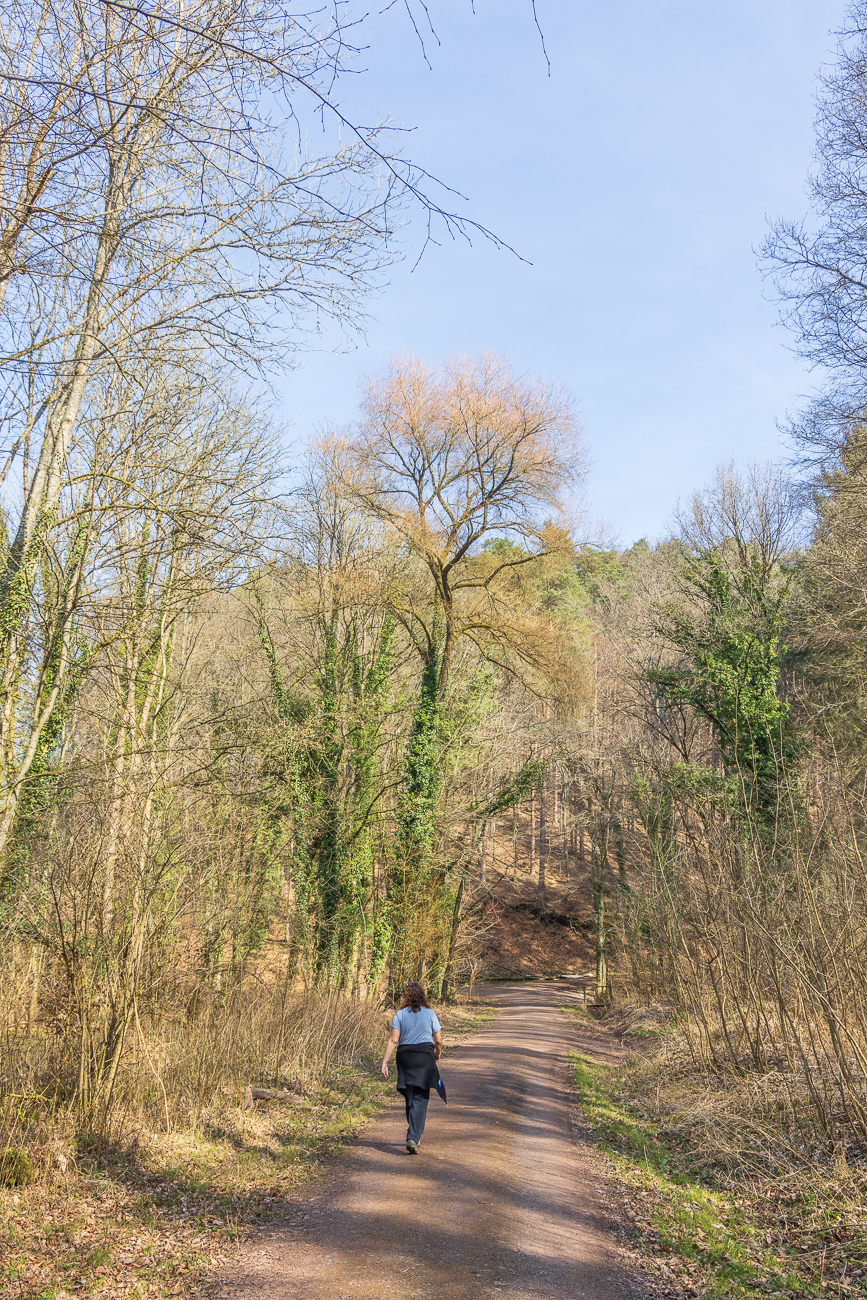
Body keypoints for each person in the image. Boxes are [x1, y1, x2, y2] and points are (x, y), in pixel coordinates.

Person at [381, 981, 447, 1154]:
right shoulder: (430, 1014)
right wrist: (437, 1054)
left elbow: (394, 1040)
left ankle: (413, 1133)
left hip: (405, 1057)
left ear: (406, 997)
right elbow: (438, 1040)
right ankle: (413, 1137)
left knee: (410, 1094)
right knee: (420, 1097)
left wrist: (384, 1062)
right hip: (424, 1057)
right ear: (423, 995)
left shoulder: (400, 1014)